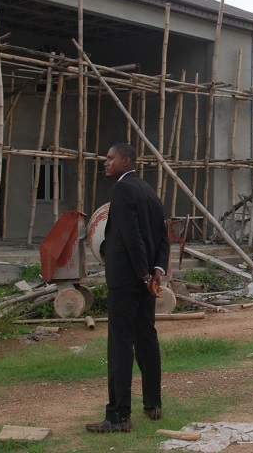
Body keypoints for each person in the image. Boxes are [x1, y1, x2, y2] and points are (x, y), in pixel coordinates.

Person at [86, 143, 170, 433]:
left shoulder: (122, 190)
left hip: (126, 280)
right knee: (146, 338)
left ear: (126, 161)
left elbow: (133, 237)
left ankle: (118, 416)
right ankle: (153, 404)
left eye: (110, 158)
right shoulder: (148, 190)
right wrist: (156, 272)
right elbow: (163, 237)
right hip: (145, 281)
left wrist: (145, 275)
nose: (105, 162)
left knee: (120, 343)